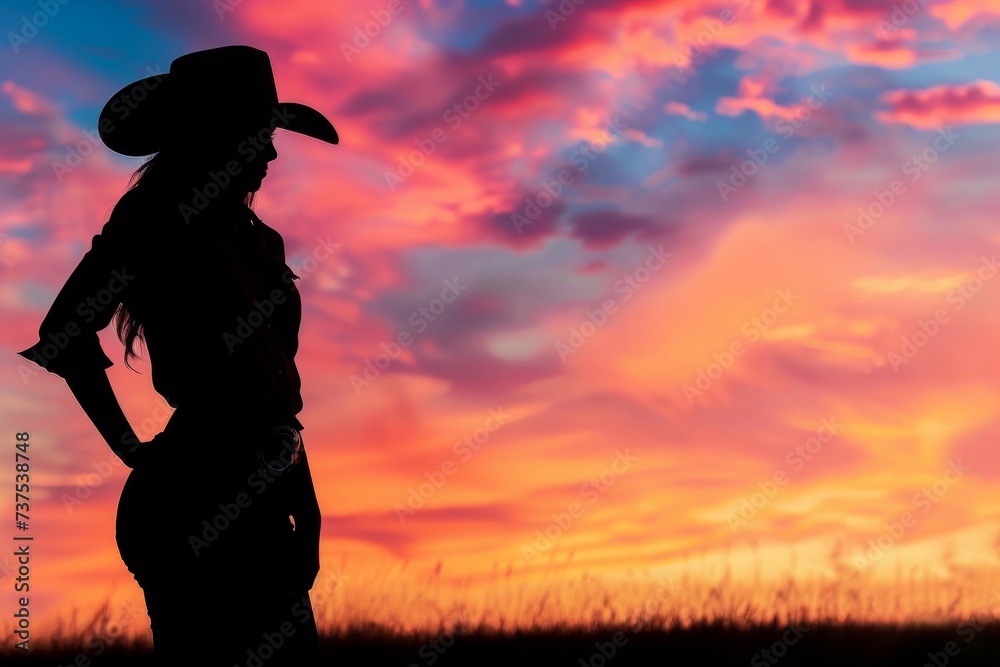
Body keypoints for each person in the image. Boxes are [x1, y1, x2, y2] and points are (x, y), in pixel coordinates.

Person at [16, 45, 339, 665]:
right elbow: (65, 331)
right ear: (213, 137)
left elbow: (275, 396)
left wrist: (307, 507)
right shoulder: (152, 220)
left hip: (266, 486)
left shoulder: (260, 242)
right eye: (258, 134)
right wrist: (132, 450)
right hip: (194, 497)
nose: (271, 153)